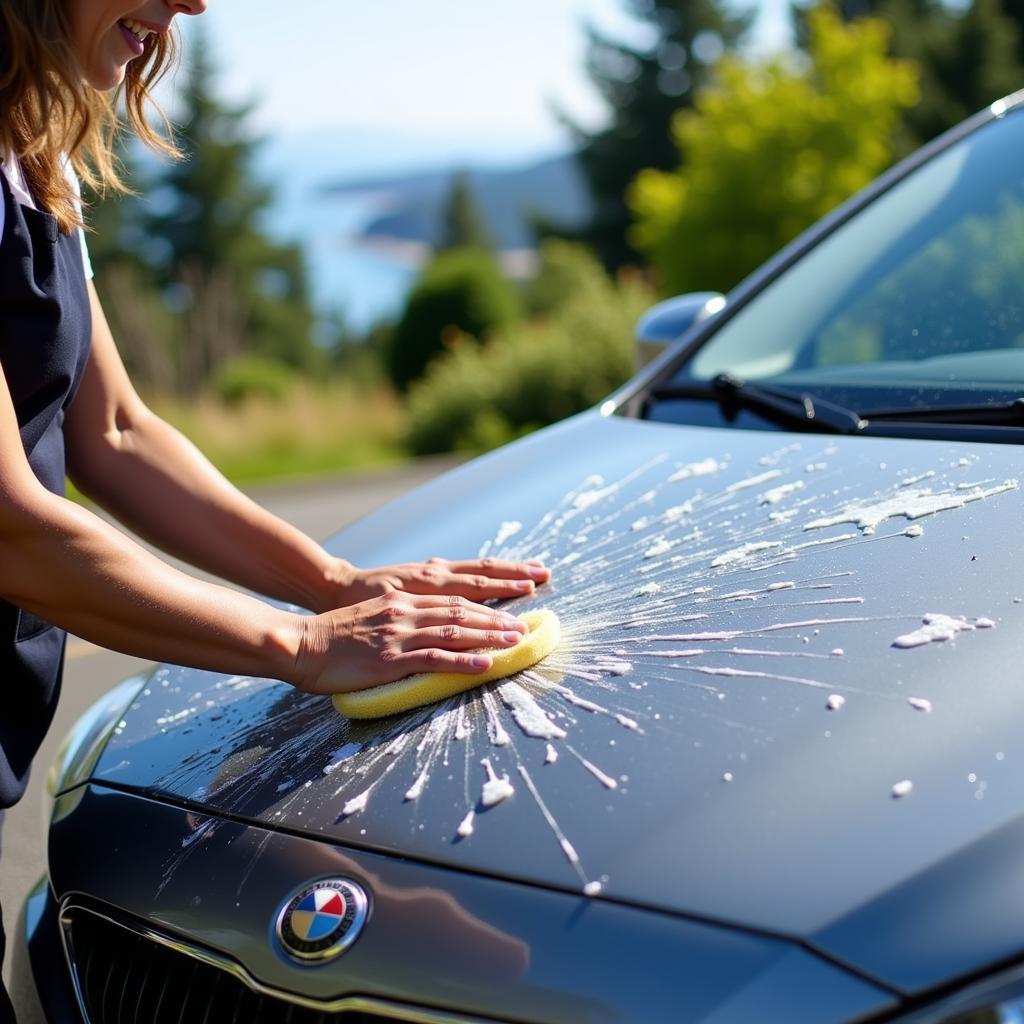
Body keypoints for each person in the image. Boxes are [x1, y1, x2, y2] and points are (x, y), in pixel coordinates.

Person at [0, 1, 550, 1016]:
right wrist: (305, 646)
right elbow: (13, 528)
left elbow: (113, 431)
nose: (194, 5)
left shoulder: (32, 158)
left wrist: (334, 585)